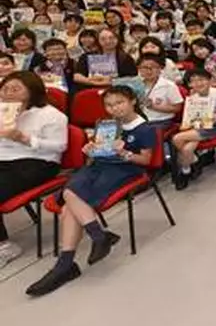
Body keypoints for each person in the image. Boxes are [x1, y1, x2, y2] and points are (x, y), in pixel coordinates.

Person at [25, 85, 154, 297]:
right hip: (98, 166)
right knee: (71, 196)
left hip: (124, 169)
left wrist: (124, 153)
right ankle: (96, 237)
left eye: (120, 103)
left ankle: (66, 264)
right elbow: (94, 155)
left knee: (69, 199)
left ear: (132, 101)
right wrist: (90, 150)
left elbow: (146, 160)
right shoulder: (106, 125)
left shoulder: (144, 128)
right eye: (109, 105)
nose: (115, 109)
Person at [0, 72, 68, 269]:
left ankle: (4, 246)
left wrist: (24, 138)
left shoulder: (52, 115)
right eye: (5, 89)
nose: (9, 94)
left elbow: (59, 146)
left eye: (16, 89)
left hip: (37, 162)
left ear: (32, 91)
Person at [170, 68, 216, 189]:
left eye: (201, 80)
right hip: (200, 124)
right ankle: (189, 167)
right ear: (189, 84)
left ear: (210, 80)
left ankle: (189, 166)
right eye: (193, 81)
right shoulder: (193, 97)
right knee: (187, 149)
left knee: (177, 139)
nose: (198, 83)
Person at [72, 27, 137, 90]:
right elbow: (77, 76)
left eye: (111, 38)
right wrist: (91, 81)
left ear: (117, 39)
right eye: (103, 39)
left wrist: (113, 81)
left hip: (118, 90)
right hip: (92, 89)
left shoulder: (125, 58)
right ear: (98, 41)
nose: (108, 41)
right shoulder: (87, 56)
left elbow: (132, 78)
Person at [136, 54, 184, 132]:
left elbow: (177, 108)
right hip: (140, 120)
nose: (149, 70)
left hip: (162, 121)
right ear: (139, 69)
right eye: (144, 67)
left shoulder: (169, 85)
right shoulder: (136, 84)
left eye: (153, 67)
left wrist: (154, 107)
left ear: (160, 68)